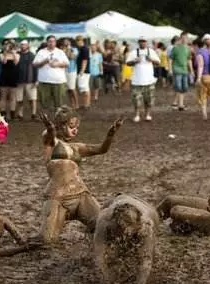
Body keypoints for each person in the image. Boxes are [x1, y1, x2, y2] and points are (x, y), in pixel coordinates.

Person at [38, 107, 123, 246]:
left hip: (80, 194)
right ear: (61, 125)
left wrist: (110, 134)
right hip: (58, 196)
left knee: (105, 227)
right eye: (72, 126)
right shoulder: (51, 142)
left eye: (77, 127)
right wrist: (50, 126)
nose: (75, 130)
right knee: (48, 241)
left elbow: (101, 149)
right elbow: (49, 134)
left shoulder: (76, 147)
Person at [125, 36, 160, 122]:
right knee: (136, 99)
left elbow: (158, 62)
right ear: (138, 42)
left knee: (149, 99)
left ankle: (147, 114)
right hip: (137, 81)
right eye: (141, 41)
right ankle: (137, 115)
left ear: (146, 42)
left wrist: (151, 59)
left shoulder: (151, 51)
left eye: (144, 41)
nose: (142, 43)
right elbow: (127, 63)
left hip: (149, 80)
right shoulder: (134, 52)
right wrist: (135, 61)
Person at [33, 35, 69, 110]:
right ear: (47, 42)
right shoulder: (41, 52)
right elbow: (34, 64)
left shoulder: (60, 52)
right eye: (50, 41)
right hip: (44, 81)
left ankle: (58, 120)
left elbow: (67, 64)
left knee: (59, 103)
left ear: (55, 43)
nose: (51, 43)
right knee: (44, 103)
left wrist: (58, 64)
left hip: (58, 81)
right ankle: (47, 120)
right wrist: (44, 61)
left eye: (53, 41)